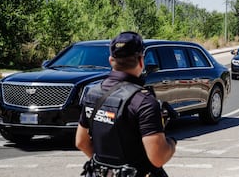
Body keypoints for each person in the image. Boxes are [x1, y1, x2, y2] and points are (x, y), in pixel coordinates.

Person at [75, 31, 176, 177]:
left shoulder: (93, 94)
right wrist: (172, 143)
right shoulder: (144, 101)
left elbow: (81, 142)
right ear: (141, 61)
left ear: (111, 61)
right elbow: (157, 157)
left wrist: (108, 168)